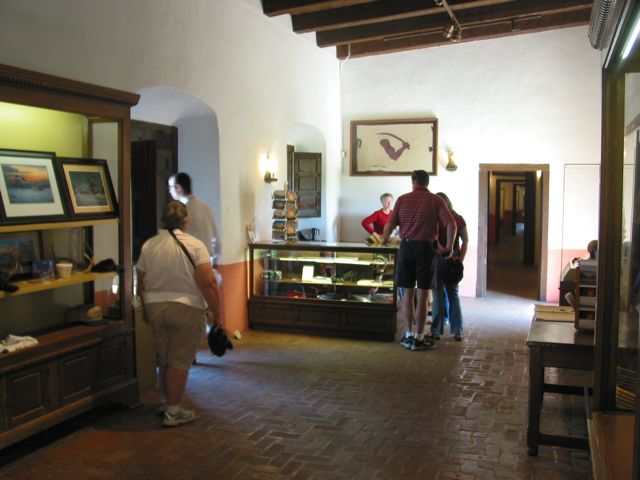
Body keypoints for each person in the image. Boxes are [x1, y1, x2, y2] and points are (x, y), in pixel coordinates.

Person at [137, 200, 222, 427]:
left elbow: (141, 279)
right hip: (186, 306)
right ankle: (173, 412)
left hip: (155, 306)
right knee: (180, 360)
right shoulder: (196, 246)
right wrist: (217, 313)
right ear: (186, 222)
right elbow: (208, 283)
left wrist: (146, 308)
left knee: (164, 357)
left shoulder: (150, 245)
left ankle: (166, 402)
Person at [382, 170, 456, 351]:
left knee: (407, 295)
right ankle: (419, 337)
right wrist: (449, 247)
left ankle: (407, 334)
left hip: (406, 248)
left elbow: (390, 224)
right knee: (423, 295)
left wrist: (384, 239)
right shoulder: (436, 200)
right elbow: (451, 223)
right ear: (427, 182)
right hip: (426, 249)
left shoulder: (402, 200)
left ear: (414, 181)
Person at [429, 192, 468, 342]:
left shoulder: (435, 219)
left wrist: (443, 251)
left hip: (438, 259)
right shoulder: (458, 218)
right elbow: (466, 240)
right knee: (453, 295)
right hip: (454, 260)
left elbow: (434, 240)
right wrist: (460, 259)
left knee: (438, 294)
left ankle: (436, 331)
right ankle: (458, 330)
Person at [168, 172, 220, 263]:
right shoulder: (207, 207)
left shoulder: (181, 212)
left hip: (189, 264)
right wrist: (213, 261)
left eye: (170, 187)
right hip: (207, 262)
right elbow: (216, 241)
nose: (169, 191)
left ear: (178, 188)